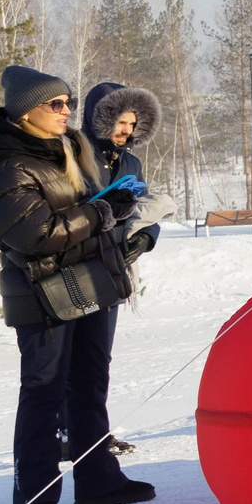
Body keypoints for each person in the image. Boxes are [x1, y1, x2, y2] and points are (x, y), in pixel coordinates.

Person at [1, 66, 153, 504]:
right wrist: (99, 212)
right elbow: (35, 234)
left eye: (69, 102)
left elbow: (85, 211)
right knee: (44, 392)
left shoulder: (68, 149)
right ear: (27, 111)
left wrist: (120, 211)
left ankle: (98, 482)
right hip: (42, 294)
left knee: (90, 384)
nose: (67, 111)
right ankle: (37, 498)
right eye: (57, 104)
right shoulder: (10, 161)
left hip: (87, 281)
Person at [82, 83, 171, 458]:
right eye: (120, 121)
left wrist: (146, 237)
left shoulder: (130, 162)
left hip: (112, 267)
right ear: (99, 118)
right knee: (68, 364)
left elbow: (143, 208)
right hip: (76, 264)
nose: (126, 131)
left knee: (98, 359)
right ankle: (66, 430)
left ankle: (94, 436)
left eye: (133, 124)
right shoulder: (75, 154)